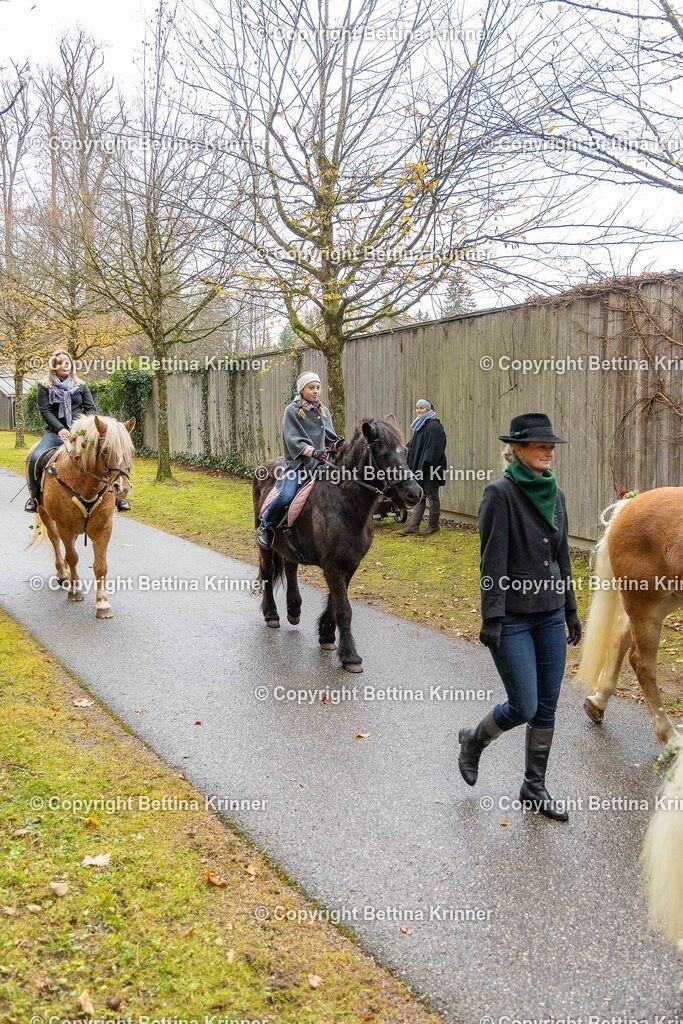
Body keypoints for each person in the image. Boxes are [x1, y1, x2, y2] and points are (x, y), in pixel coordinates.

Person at [457, 413, 582, 821]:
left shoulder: (556, 494)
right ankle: (475, 739)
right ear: (518, 449)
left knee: (547, 707)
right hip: (511, 618)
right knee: (524, 705)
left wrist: (571, 611)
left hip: (549, 616)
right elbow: (491, 561)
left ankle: (534, 786)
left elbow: (562, 558)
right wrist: (491, 616)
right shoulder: (500, 494)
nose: (548, 451)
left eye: (551, 446)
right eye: (540, 445)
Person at [24, 350, 131, 514]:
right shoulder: (44, 387)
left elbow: (90, 409)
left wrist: (85, 429)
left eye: (67, 362)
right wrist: (59, 429)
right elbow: (45, 411)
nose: (63, 365)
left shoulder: (80, 385)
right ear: (53, 365)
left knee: (108, 457)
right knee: (36, 456)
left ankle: (118, 498)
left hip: (80, 434)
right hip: (55, 433)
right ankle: (34, 498)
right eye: (59, 362)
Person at [256, 371, 343, 550]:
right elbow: (292, 440)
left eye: (318, 387)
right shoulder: (292, 411)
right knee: (285, 496)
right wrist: (313, 452)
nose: (316, 391)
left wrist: (338, 445)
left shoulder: (323, 410)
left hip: (321, 466)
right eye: (311, 388)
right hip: (298, 466)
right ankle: (265, 526)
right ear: (302, 390)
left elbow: (330, 438)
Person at [399, 399, 447, 535]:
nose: (419, 410)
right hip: (420, 468)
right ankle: (413, 527)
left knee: (432, 495)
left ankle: (433, 525)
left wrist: (425, 465)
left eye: (422, 408)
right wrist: (402, 451)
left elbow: (435, 449)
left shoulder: (434, 426)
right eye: (417, 408)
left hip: (431, 467)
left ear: (429, 410)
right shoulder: (420, 426)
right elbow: (413, 445)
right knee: (420, 496)